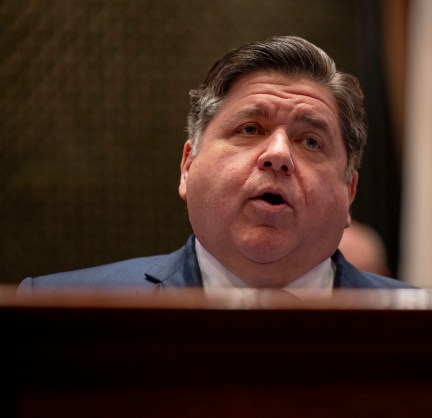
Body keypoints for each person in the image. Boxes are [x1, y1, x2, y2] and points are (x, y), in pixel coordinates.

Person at [18, 36, 412, 296]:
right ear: (188, 166)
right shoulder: (56, 310)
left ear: (349, 193)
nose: (278, 154)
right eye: (250, 128)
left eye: (311, 141)